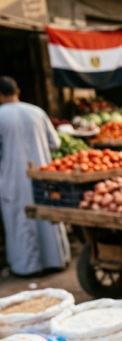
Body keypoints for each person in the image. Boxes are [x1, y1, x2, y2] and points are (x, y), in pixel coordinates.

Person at [0, 76, 70, 277]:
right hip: (42, 175)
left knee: (20, 219)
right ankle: (57, 260)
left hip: (13, 179)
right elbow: (54, 143)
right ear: (18, 91)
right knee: (48, 215)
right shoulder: (37, 112)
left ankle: (27, 267)